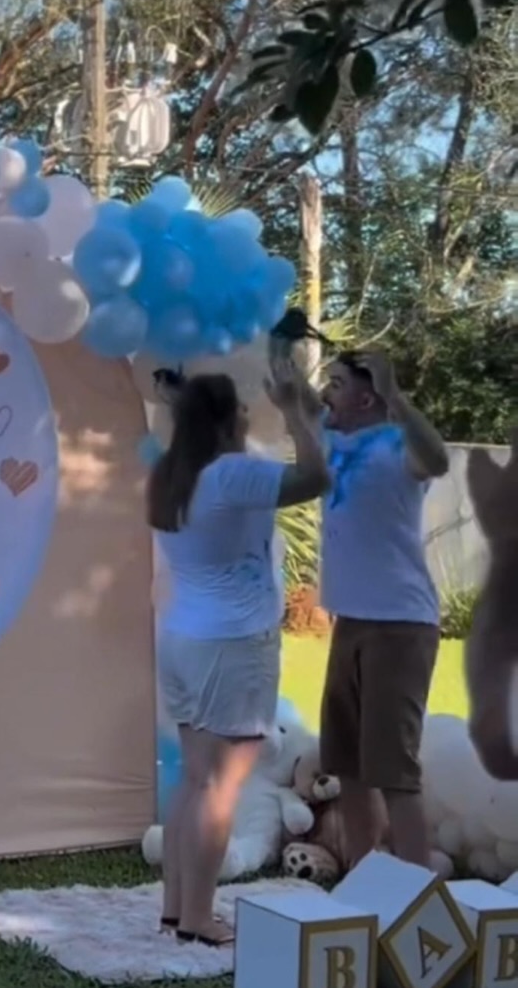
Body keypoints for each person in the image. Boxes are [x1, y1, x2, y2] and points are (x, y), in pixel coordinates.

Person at [150, 364, 329, 948]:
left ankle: (177, 910)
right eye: (244, 408)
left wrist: (182, 402)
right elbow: (316, 476)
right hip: (233, 646)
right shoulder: (233, 475)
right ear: (228, 421)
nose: (252, 414)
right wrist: (297, 411)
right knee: (219, 787)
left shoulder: (172, 475)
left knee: (194, 781)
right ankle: (200, 916)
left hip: (182, 639)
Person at [314, 350, 450, 868]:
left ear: (366, 398)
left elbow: (438, 460)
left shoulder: (398, 446)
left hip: (400, 626)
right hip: (348, 622)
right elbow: (293, 401)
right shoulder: (331, 444)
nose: (326, 391)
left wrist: (396, 395)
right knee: (348, 766)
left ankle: (416, 896)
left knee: (394, 771)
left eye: (337, 383)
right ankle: (361, 879)